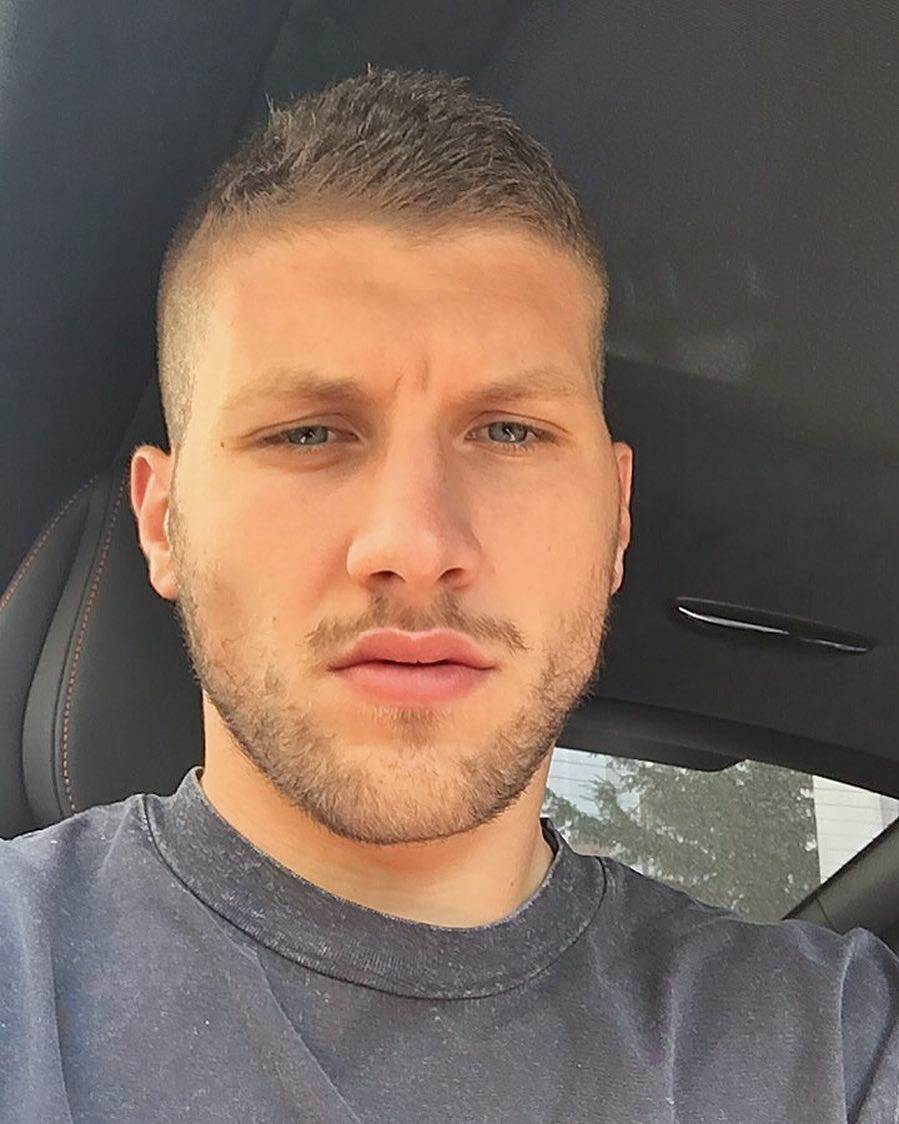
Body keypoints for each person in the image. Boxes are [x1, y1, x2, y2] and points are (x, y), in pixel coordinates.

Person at [2, 65, 897, 1124]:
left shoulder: (834, 1043)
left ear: (615, 516)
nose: (417, 545)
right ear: (164, 521)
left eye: (509, 431)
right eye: (307, 432)